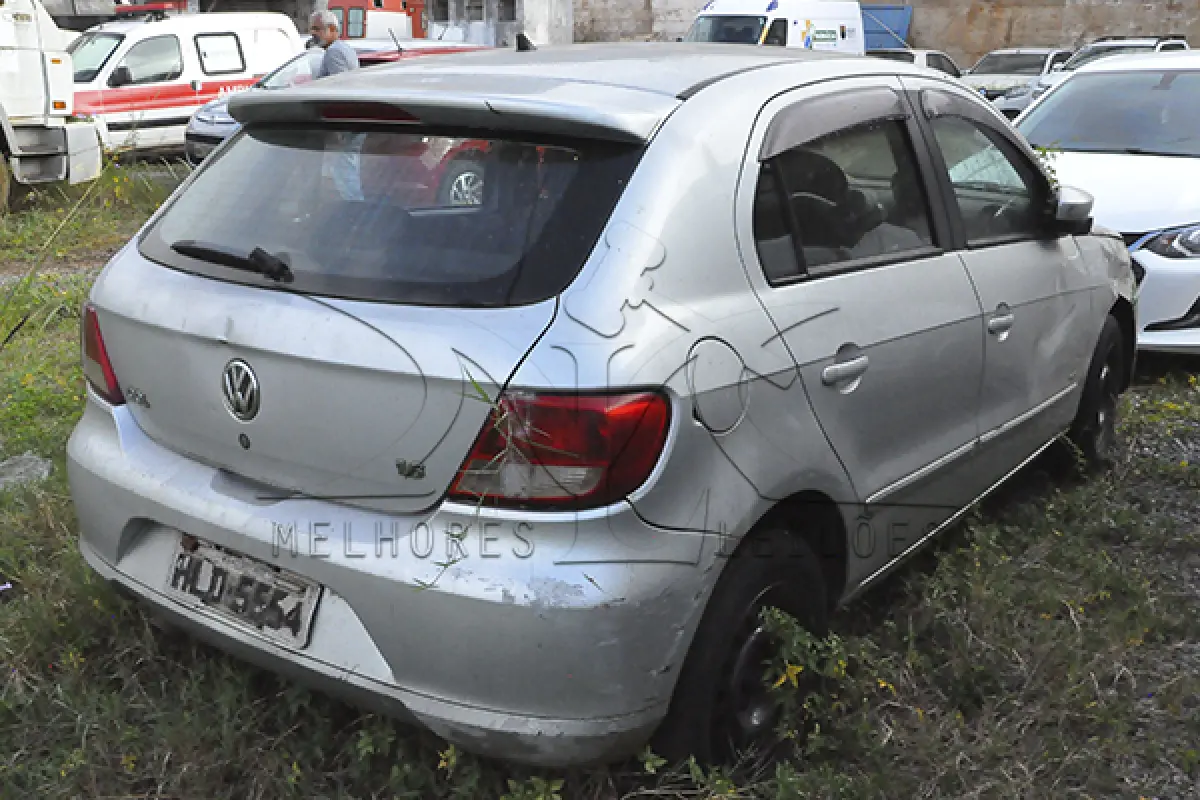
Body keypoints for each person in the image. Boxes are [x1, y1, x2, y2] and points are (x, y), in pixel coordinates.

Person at [308, 10, 359, 79]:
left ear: (332, 28)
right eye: (312, 29)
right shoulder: (344, 47)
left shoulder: (334, 51)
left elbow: (340, 83)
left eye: (317, 29)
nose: (313, 33)